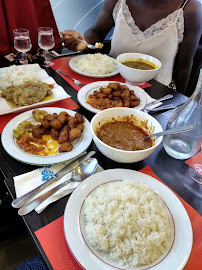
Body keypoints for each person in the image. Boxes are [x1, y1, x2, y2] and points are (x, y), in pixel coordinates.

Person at [59, 0, 202, 94]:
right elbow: (97, 31)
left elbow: (184, 68)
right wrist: (84, 41)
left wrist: (178, 106)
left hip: (156, 94)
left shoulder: (189, 8)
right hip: (109, 87)